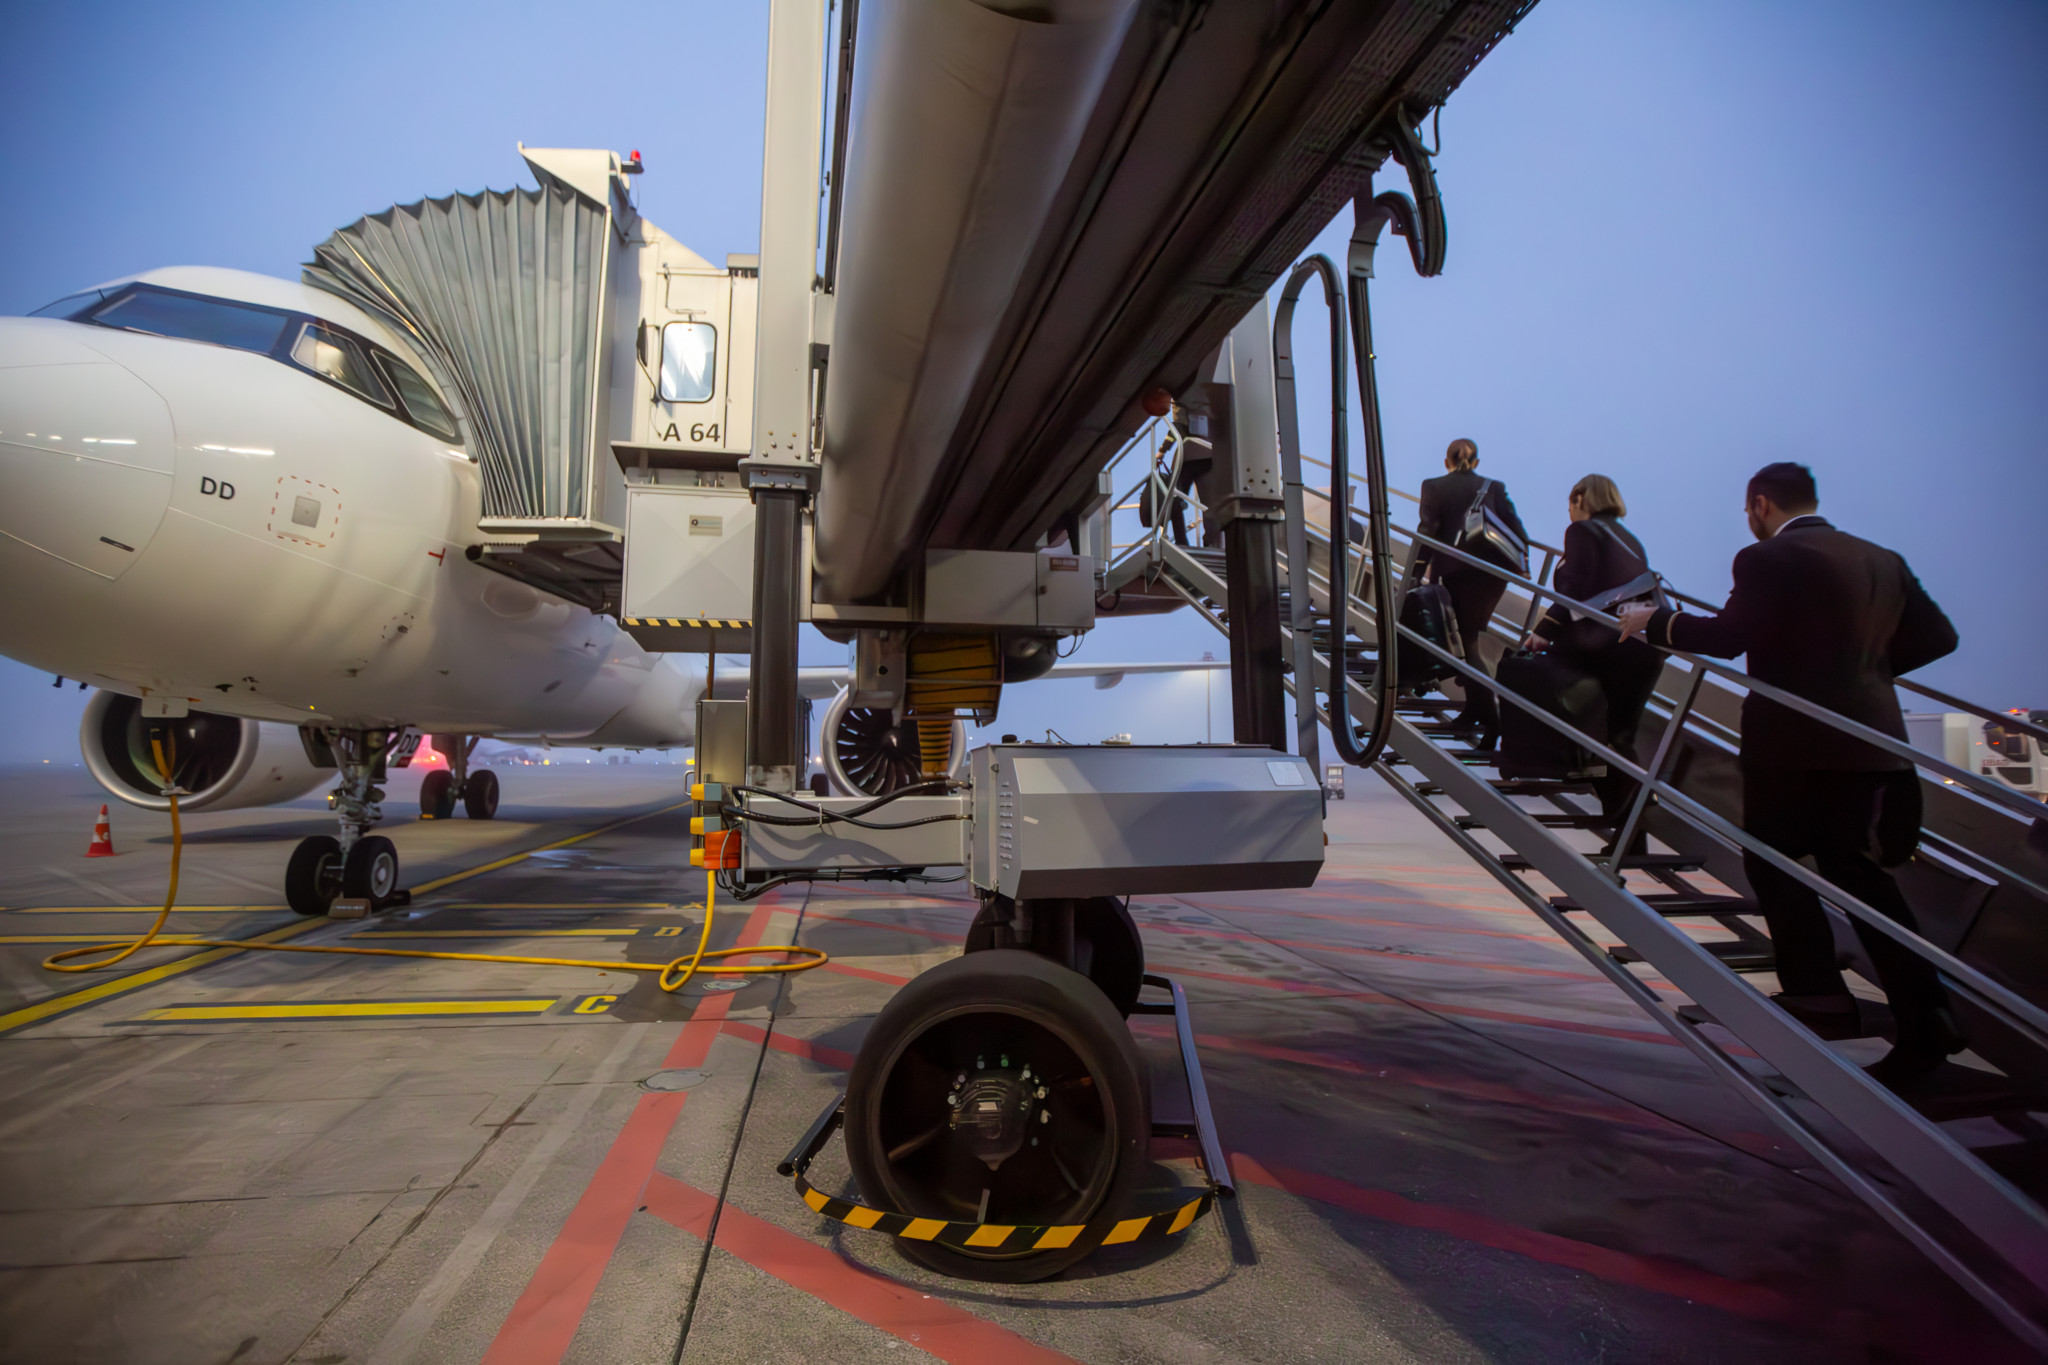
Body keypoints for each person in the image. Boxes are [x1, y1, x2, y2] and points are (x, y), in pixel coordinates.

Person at [1618, 462, 1962, 1082]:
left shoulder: (1768, 559)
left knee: (1771, 860)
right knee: (1860, 878)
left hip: (1795, 750)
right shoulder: (1879, 557)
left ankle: (1821, 996)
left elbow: (1727, 636)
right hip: (1874, 747)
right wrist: (1856, 676)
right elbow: (1939, 637)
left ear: (1760, 504)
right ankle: (1925, 1012)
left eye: (1748, 511)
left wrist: (1654, 626)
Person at [1525, 475, 1666, 844]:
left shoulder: (1583, 533)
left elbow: (1574, 590)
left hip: (1610, 647)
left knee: (1589, 732)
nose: (1569, 510)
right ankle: (1631, 834)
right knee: (1618, 739)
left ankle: (1626, 812)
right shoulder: (1627, 537)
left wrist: (1544, 629)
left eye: (1570, 502)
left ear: (1580, 498)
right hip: (1643, 647)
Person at [1415, 438, 1528, 746]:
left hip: (1456, 574)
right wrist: (1523, 566)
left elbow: (1427, 533)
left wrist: (1415, 573)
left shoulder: (1434, 486)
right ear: (1476, 462)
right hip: (1490, 578)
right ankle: (1473, 711)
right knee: (1466, 641)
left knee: (1466, 644)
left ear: (1446, 462)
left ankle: (1492, 720)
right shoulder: (1494, 486)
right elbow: (1517, 530)